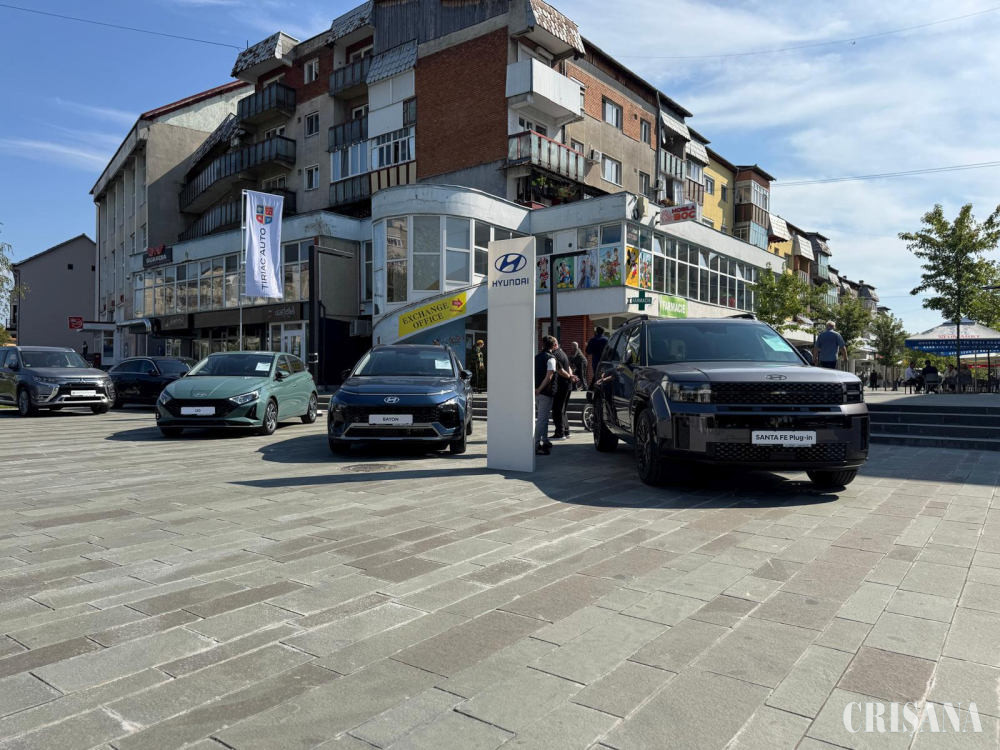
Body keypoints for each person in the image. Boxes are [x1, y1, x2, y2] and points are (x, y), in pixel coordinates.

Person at [534, 336, 557, 455]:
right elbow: (549, 376)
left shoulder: (536, 357)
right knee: (542, 420)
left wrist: (536, 389)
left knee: (543, 418)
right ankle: (536, 445)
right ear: (553, 346)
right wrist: (540, 389)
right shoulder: (551, 358)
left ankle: (545, 440)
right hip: (545, 392)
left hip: (536, 392)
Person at [550, 339, 577, 439]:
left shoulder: (555, 355)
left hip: (561, 385)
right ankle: (566, 431)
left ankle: (560, 433)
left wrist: (569, 377)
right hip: (567, 385)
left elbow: (560, 370)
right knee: (563, 410)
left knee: (557, 409)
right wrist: (571, 376)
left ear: (554, 345)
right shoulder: (562, 353)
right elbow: (568, 367)